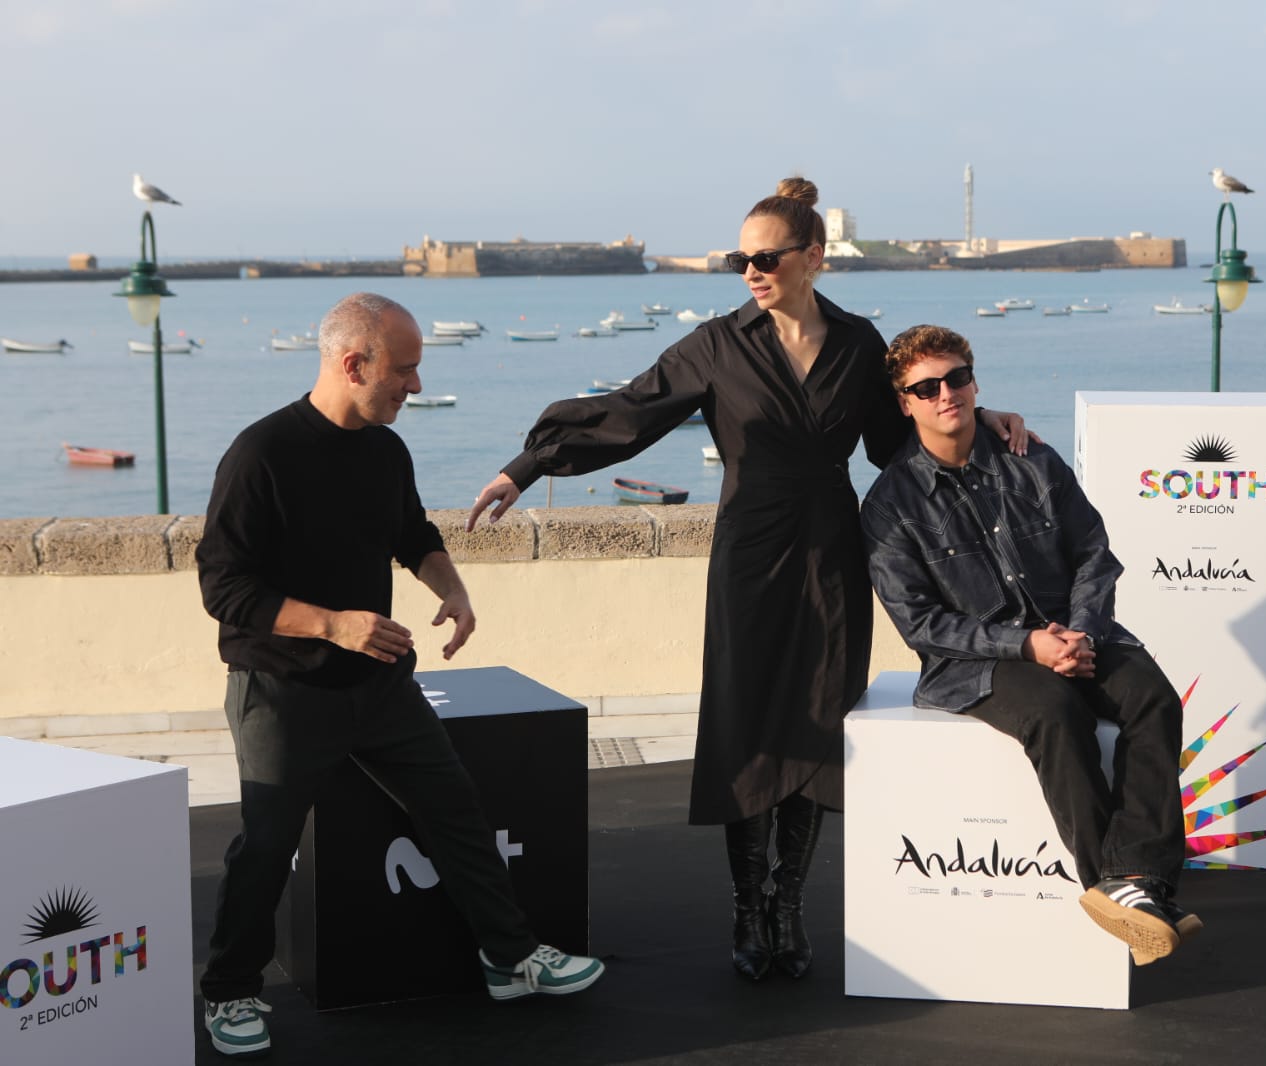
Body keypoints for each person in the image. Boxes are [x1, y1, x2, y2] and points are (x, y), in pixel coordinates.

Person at [467, 178, 1030, 982]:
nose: (749, 272)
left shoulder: (858, 344)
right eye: (739, 259)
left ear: (812, 258)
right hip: (749, 555)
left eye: (764, 258)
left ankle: (788, 904)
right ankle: (745, 906)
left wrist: (983, 416)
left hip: (833, 549)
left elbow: (895, 442)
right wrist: (524, 468)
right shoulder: (717, 345)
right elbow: (630, 413)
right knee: (748, 723)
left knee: (817, 720)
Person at [195, 293, 602, 1057]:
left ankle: (510, 959)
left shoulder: (385, 450)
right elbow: (224, 590)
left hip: (379, 685)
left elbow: (411, 533)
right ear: (354, 365)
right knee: (265, 843)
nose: (414, 386)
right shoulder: (261, 455)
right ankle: (229, 991)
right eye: (404, 371)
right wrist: (333, 623)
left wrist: (449, 585)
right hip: (282, 690)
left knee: (456, 812)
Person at [859, 324, 1201, 967]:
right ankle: (1116, 882)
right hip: (980, 663)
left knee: (1153, 698)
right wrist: (1028, 647)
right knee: (1054, 709)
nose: (946, 395)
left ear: (974, 380)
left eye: (956, 377)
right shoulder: (888, 506)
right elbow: (920, 623)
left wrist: (1080, 632)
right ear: (905, 402)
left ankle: (1139, 884)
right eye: (926, 387)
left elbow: (1095, 554)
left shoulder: (1032, 459)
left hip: (1077, 630)